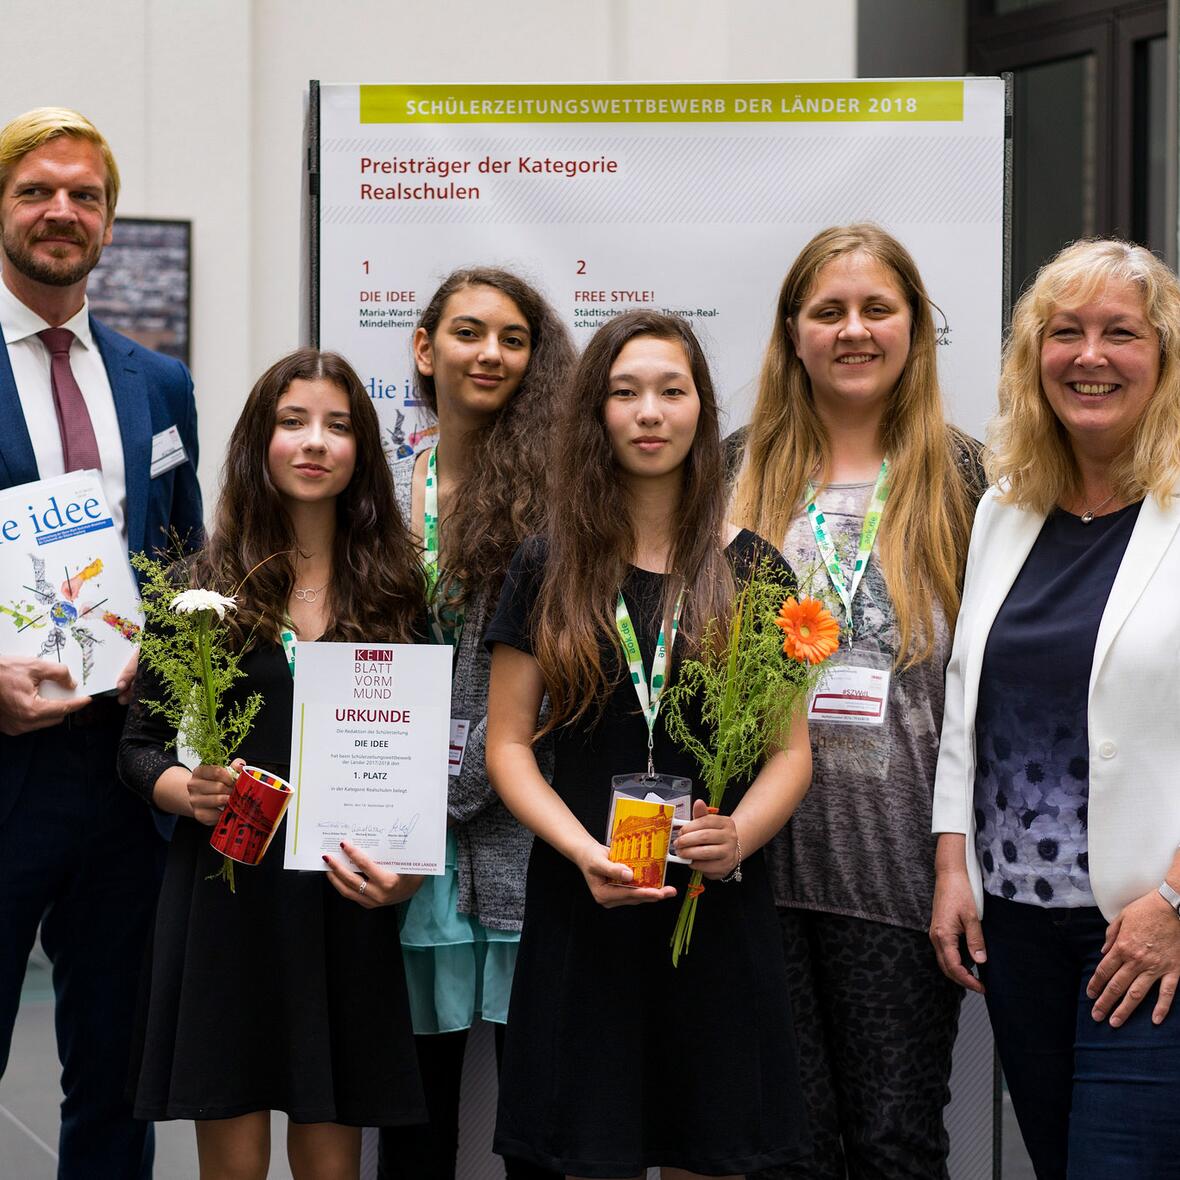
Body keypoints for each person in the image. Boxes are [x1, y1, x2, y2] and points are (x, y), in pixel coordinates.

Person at [485, 309, 813, 1177]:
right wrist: (582, 850)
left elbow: (790, 752)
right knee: (589, 1151)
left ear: (702, 410)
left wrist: (738, 835)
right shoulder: (547, 563)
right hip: (583, 903)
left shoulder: (757, 571)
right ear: (595, 412)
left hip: (714, 907)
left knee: (708, 1147)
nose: (649, 412)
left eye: (673, 391)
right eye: (625, 393)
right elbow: (509, 746)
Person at [118, 349, 427, 1179]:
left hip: (344, 896)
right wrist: (189, 791)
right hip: (226, 898)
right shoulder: (199, 587)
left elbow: (428, 755)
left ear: (363, 449)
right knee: (234, 1159)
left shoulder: (397, 591)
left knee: (330, 1160)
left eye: (336, 425)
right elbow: (138, 746)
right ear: (260, 440)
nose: (313, 442)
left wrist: (407, 873)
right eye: (293, 422)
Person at [730, 224, 982, 1179]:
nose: (853, 330)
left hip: (901, 877)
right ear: (792, 330)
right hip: (755, 868)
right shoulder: (732, 470)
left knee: (895, 1142)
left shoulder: (968, 480)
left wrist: (961, 863)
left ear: (914, 327)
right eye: (828, 311)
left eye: (878, 309)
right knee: (786, 1151)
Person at [931, 239, 1180, 1177]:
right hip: (1019, 931)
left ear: (1163, 358)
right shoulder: (1006, 506)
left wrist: (1176, 901)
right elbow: (968, 701)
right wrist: (953, 863)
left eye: (1121, 333)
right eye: (1065, 333)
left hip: (1149, 930)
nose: (1090, 356)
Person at [0, 107, 202, 1178]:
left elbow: (183, 560)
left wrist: (180, 695)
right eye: (36, 190)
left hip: (125, 773)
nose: (60, 211)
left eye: (83, 194)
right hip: (0, 761)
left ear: (110, 220)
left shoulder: (157, 383)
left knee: (118, 1072)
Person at [379, 266, 574, 1180]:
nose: (489, 352)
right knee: (413, 1117)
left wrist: (464, 784)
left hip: (519, 837)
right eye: (467, 331)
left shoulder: (564, 501)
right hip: (398, 843)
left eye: (512, 337)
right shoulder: (375, 495)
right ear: (424, 349)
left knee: (539, 1116)